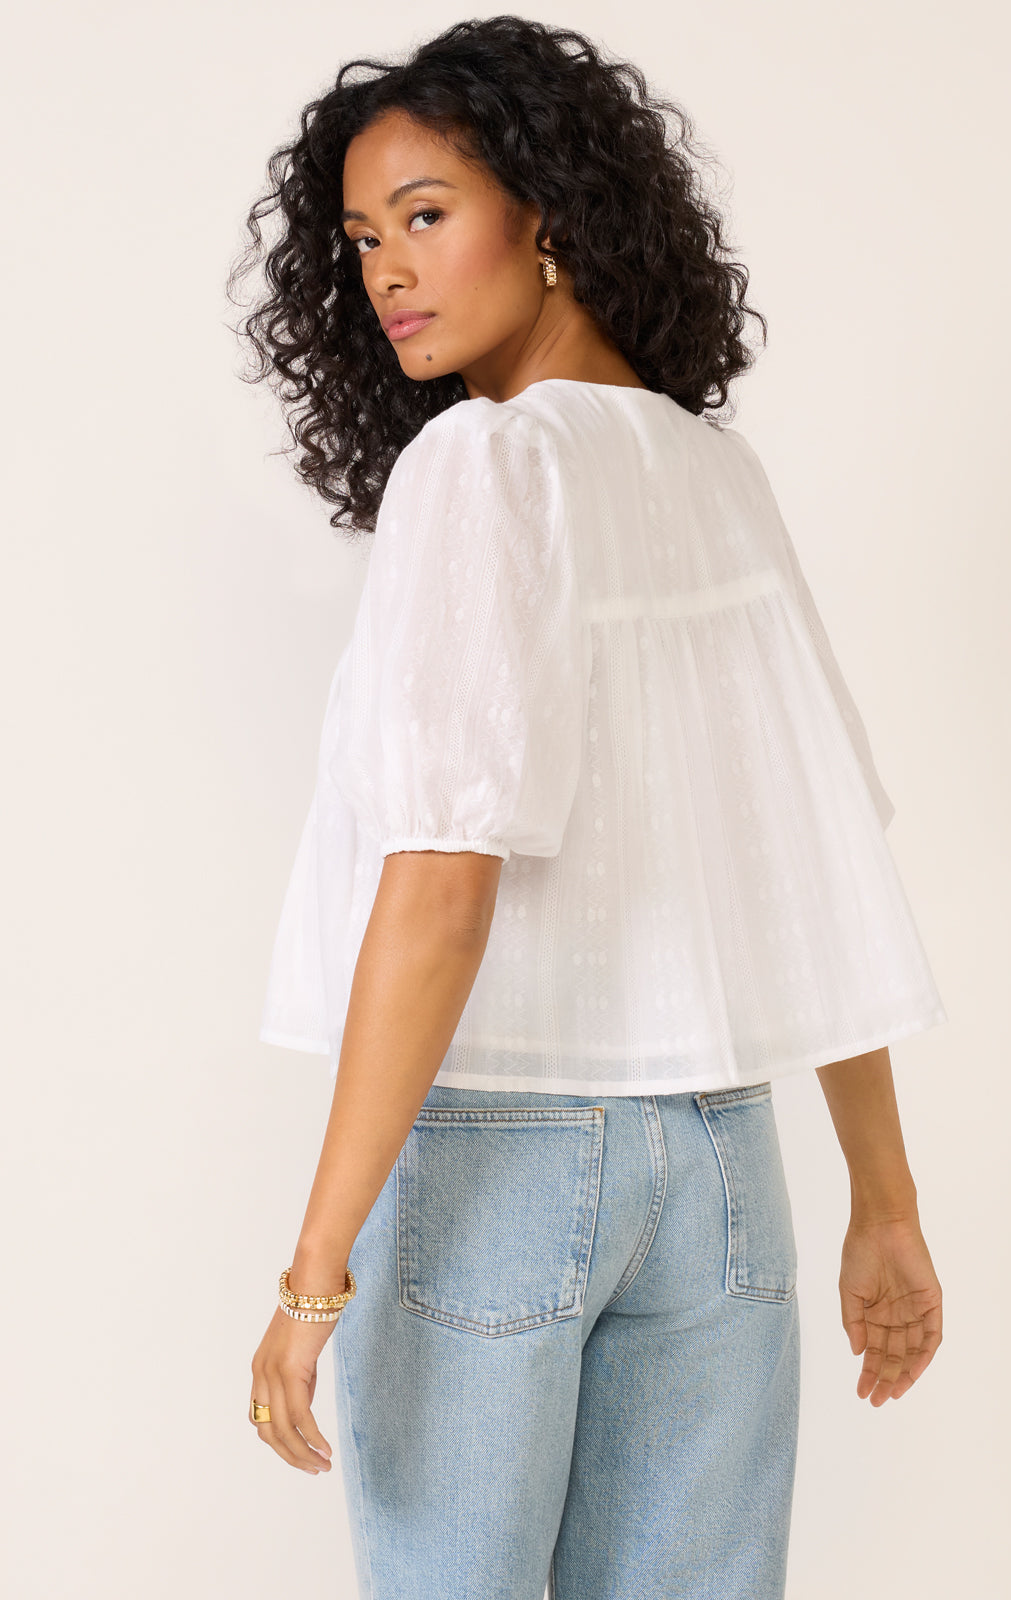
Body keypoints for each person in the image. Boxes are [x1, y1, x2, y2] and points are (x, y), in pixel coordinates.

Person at [228, 17, 947, 1598]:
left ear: (545, 211)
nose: (388, 271)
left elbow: (442, 881)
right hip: (724, 1159)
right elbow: (812, 864)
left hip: (501, 1155)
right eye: (363, 238)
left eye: (426, 213)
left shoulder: (483, 467)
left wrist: (313, 1269)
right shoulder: (711, 476)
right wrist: (883, 1204)